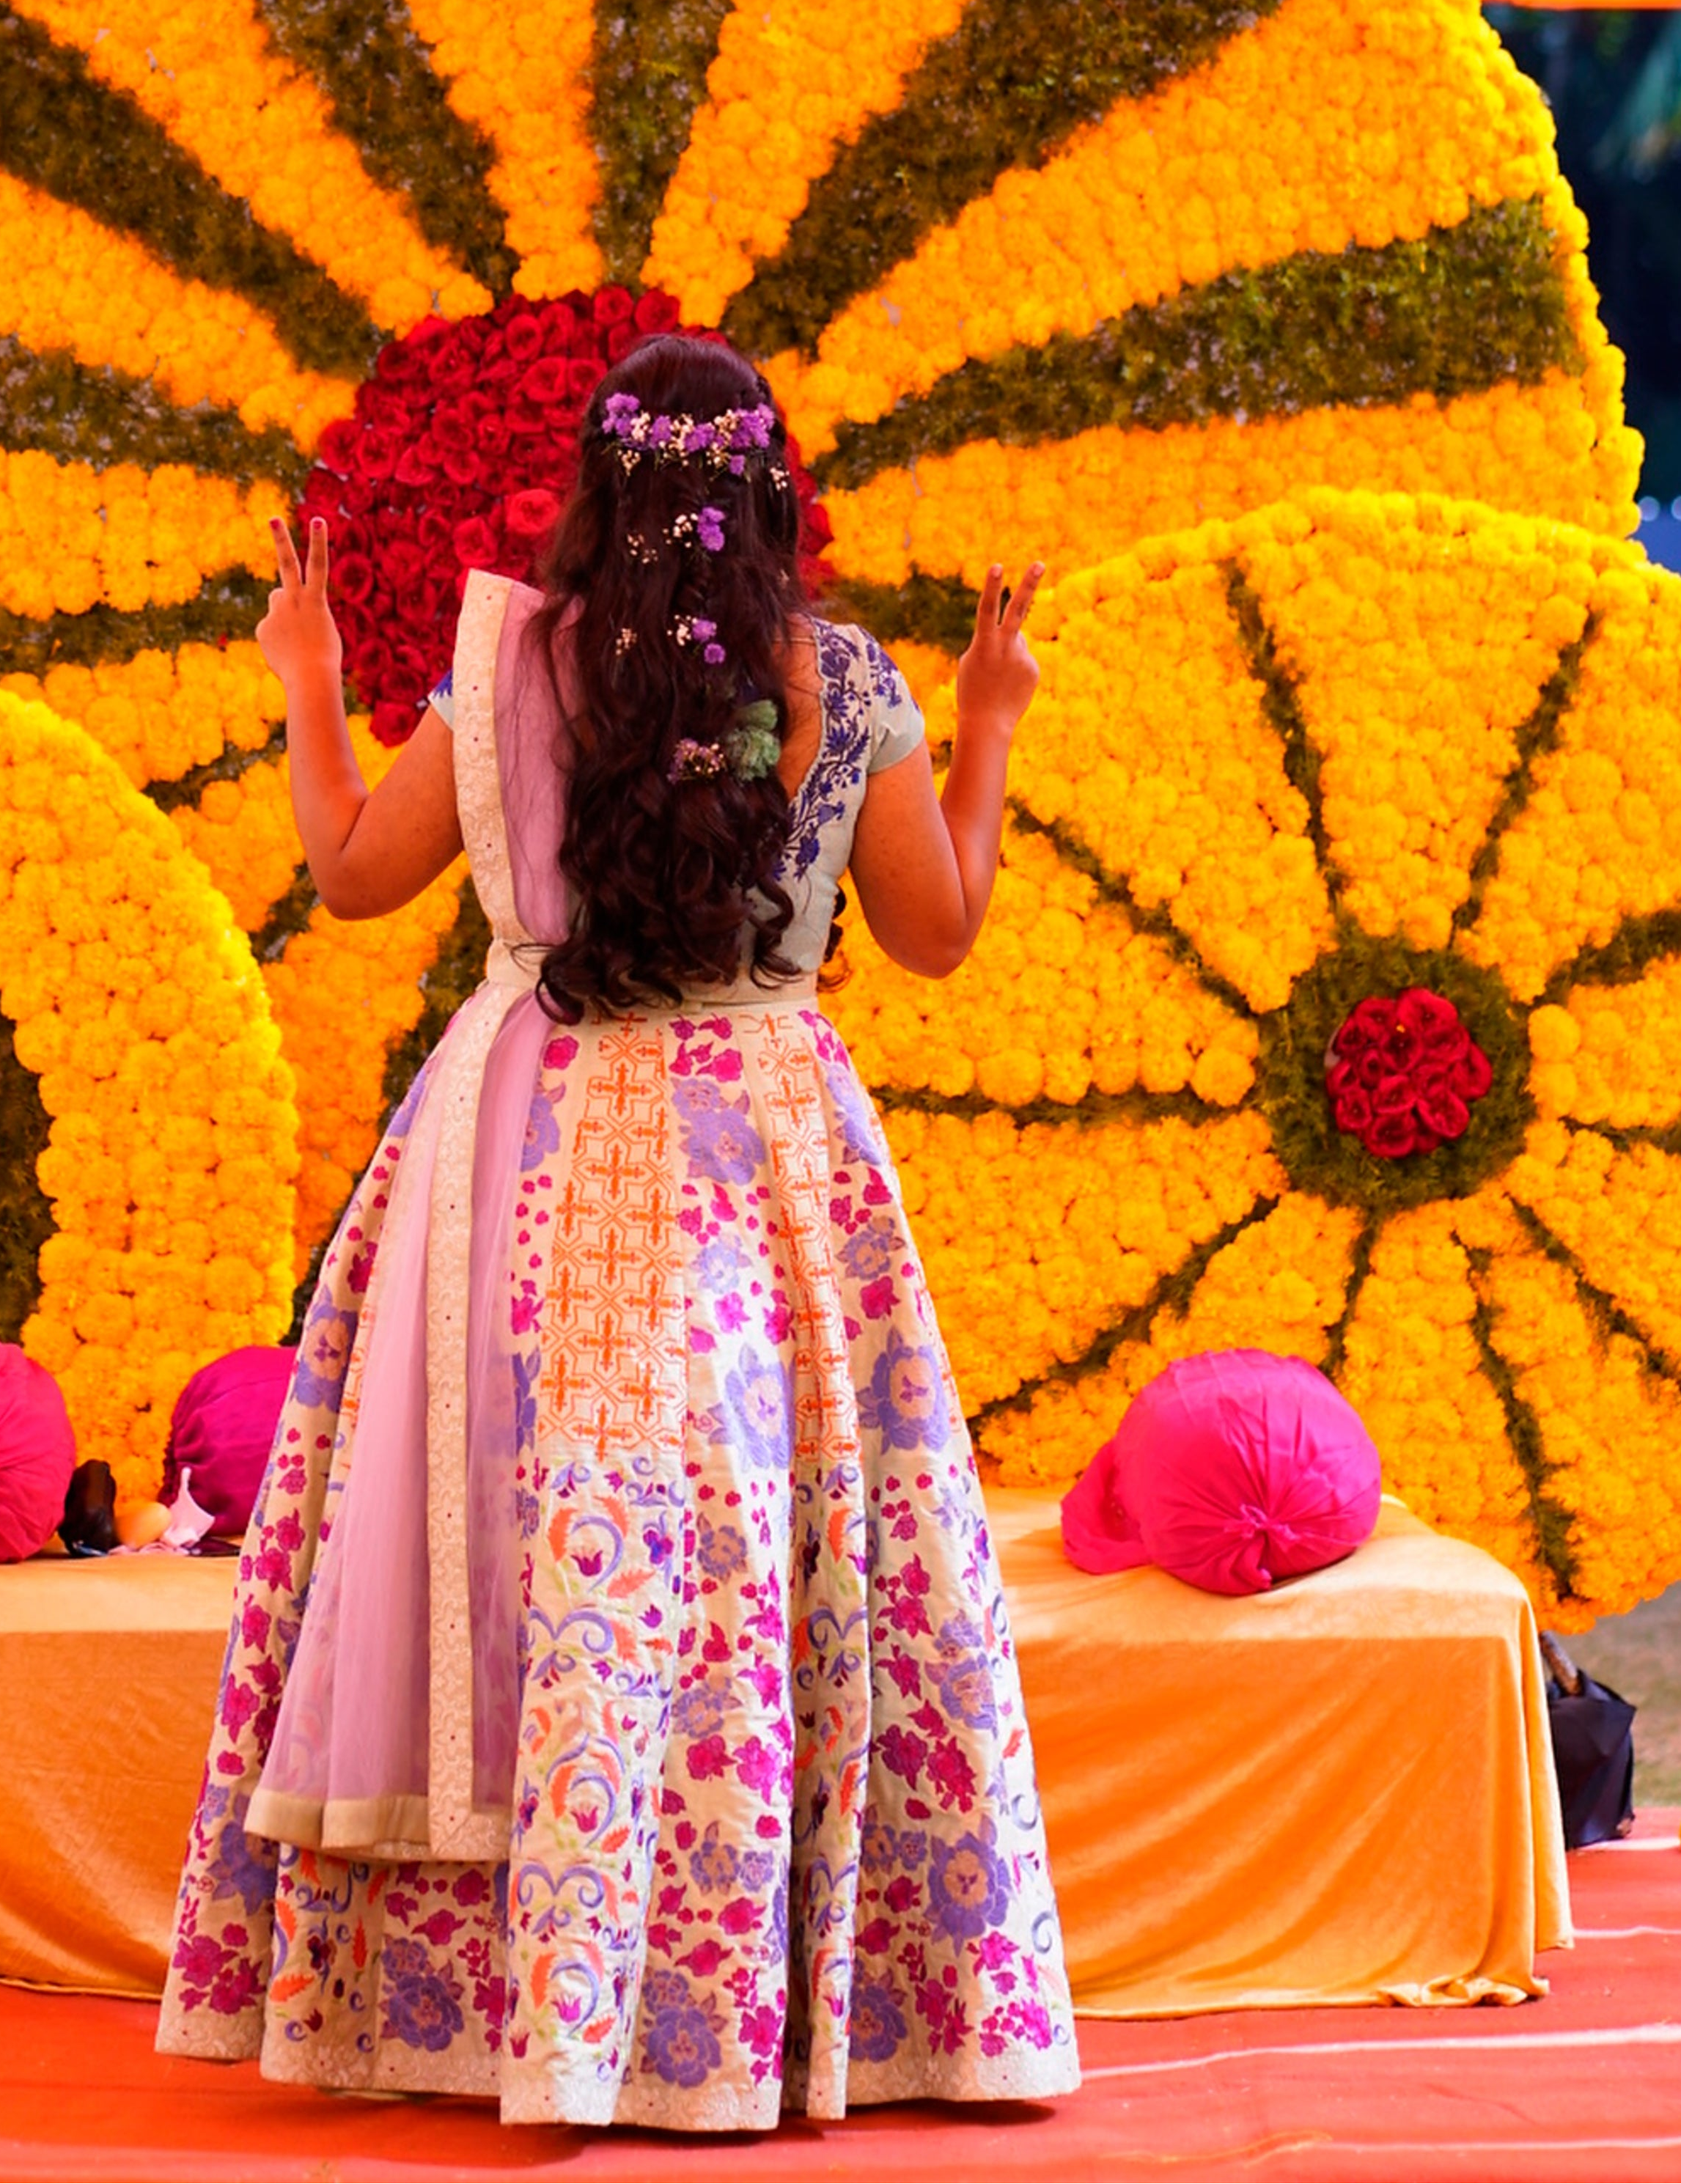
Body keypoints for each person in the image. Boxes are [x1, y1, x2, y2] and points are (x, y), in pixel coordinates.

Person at [158, 334, 1076, 2130]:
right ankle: (711, 2001)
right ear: (772, 495)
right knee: (742, 1543)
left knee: (536, 1538)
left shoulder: (512, 666)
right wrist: (990, 726)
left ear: (596, 487)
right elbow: (942, 930)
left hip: (524, 1142)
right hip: (763, 1152)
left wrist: (309, 676)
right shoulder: (849, 682)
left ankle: (527, 2007)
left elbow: (350, 870)